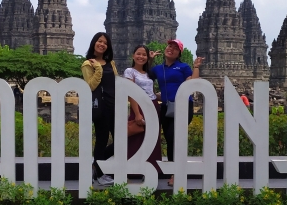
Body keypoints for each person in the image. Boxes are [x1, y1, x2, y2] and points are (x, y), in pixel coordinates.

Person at [149, 39, 203, 186]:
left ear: (179, 53)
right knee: (168, 137)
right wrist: (150, 59)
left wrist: (196, 67)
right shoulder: (158, 69)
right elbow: (145, 79)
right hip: (166, 107)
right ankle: (174, 168)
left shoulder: (183, 67)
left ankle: (176, 172)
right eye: (169, 46)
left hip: (184, 106)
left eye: (175, 48)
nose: (170, 49)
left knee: (174, 137)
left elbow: (193, 83)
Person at [81, 32, 119, 186]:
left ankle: (96, 165)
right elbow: (90, 86)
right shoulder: (87, 64)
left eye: (105, 42)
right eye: (99, 41)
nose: (102, 44)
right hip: (100, 107)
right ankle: (100, 174)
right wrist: (98, 68)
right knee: (102, 140)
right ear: (94, 43)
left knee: (121, 141)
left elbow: (117, 83)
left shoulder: (111, 63)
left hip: (114, 105)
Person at [123, 45, 162, 174]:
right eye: (138, 54)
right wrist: (137, 114)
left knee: (152, 137)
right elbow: (130, 93)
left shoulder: (149, 73)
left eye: (144, 55)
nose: (141, 57)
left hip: (153, 105)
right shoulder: (129, 71)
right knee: (137, 136)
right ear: (133, 55)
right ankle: (133, 170)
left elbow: (151, 91)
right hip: (138, 106)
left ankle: (152, 170)